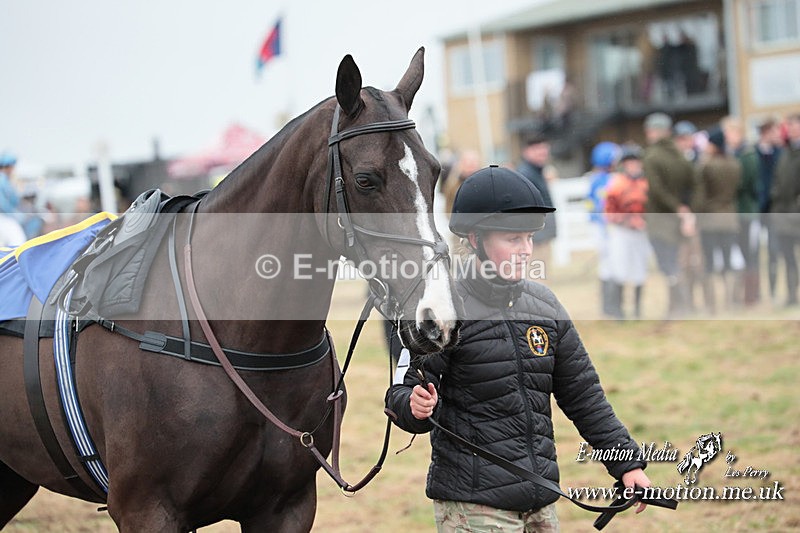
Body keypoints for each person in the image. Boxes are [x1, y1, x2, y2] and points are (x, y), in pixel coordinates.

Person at [385, 165, 651, 533]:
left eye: (529, 239)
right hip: (473, 506)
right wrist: (413, 407)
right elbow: (399, 393)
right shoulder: (443, 308)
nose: (526, 250)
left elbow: (584, 397)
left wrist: (627, 464)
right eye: (513, 240)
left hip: (540, 501)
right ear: (475, 240)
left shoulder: (545, 305)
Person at [642, 112, 695, 318]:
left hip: (660, 219)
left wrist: (676, 207)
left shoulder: (652, 156)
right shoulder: (680, 155)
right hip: (680, 218)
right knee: (677, 261)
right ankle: (681, 305)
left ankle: (677, 306)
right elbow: (692, 183)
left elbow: (656, 189)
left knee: (668, 264)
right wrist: (684, 208)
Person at [693, 127, 742, 313]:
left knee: (710, 262)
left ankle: (712, 305)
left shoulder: (706, 165)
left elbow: (700, 196)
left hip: (710, 219)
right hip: (729, 217)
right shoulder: (734, 163)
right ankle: (730, 302)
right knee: (728, 261)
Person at [604, 144, 650, 319]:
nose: (633, 165)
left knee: (640, 269)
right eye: (629, 162)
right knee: (620, 269)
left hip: (641, 230)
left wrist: (644, 220)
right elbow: (609, 211)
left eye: (635, 162)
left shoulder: (646, 182)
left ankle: (638, 310)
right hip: (622, 231)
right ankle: (619, 311)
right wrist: (626, 220)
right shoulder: (617, 184)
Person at [586, 141, 621, 317]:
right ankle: (611, 306)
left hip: (605, 227)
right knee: (610, 266)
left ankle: (611, 306)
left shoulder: (597, 179)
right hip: (605, 228)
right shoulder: (603, 180)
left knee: (609, 266)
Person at [769, 113, 800, 307]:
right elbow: (779, 184)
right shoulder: (785, 153)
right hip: (784, 216)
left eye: (793, 124)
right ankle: (791, 296)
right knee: (788, 259)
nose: (789, 128)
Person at [517, 132, 557, 263]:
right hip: (536, 236)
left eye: (544, 148)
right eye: (537, 149)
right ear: (527, 151)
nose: (542, 152)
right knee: (538, 274)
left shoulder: (537, 172)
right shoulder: (526, 174)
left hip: (540, 233)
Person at [0, 151, 26, 247]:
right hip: (4, 218)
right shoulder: (2, 180)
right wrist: (15, 214)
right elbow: (3, 203)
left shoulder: (6, 180)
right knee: (18, 241)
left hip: (5, 217)